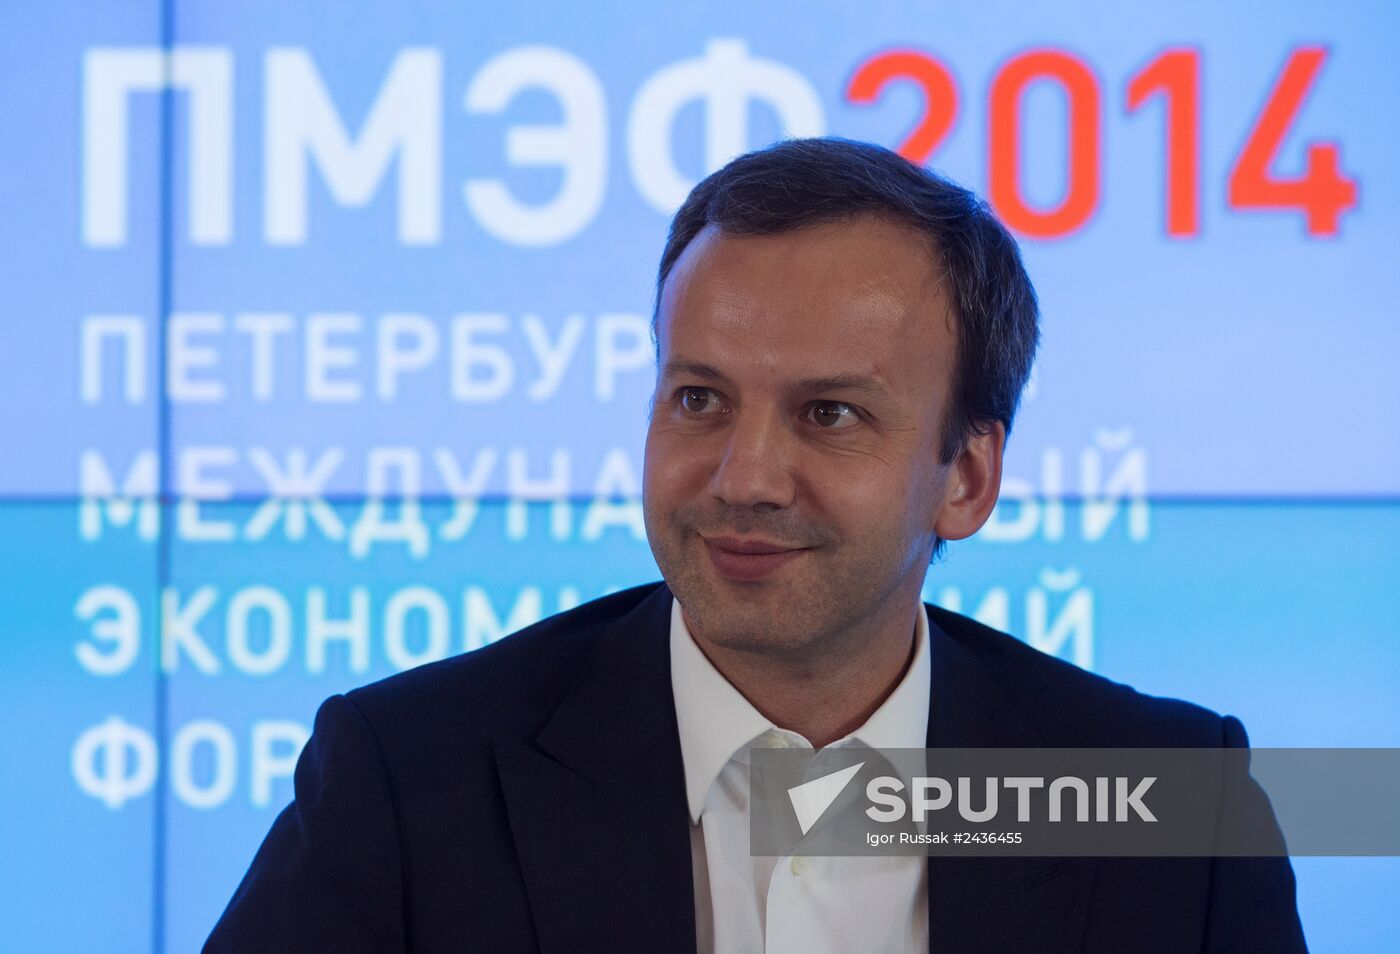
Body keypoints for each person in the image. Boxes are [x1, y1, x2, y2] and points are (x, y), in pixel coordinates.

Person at [204, 138, 1307, 953]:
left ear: (966, 479)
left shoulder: (1173, 807)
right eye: (699, 399)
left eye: (829, 413)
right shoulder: (407, 779)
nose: (742, 478)